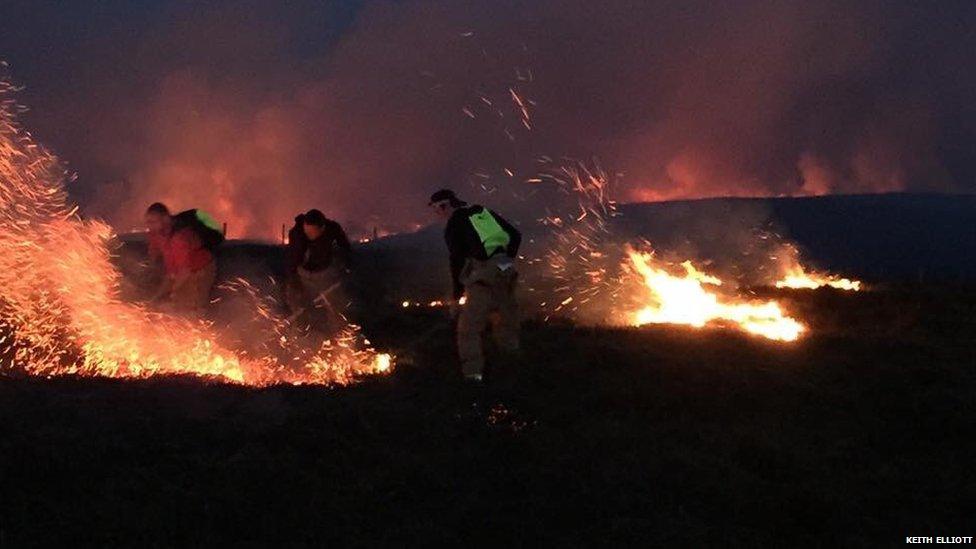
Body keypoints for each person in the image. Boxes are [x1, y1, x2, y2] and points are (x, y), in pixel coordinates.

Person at [429, 189, 521, 382]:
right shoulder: (482, 212)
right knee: (506, 322)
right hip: (507, 270)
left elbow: (457, 261)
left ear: (445, 205)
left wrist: (457, 295)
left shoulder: (455, 224)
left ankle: (473, 378)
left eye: (437, 209)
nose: (437, 214)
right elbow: (515, 235)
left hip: (484, 276)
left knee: (468, 329)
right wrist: (504, 261)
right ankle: (513, 370)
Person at [144, 202, 218, 315]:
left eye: (153, 222)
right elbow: (154, 251)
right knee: (160, 302)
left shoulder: (179, 238)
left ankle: (197, 325)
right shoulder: (156, 233)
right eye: (148, 222)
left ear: (166, 219)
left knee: (190, 308)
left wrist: (173, 292)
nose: (149, 226)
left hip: (200, 270)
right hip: (177, 271)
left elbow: (185, 271)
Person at [284, 209, 352, 325]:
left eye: (312, 232)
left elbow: (345, 247)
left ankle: (334, 329)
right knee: (299, 306)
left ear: (322, 228)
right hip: (303, 273)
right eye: (306, 231)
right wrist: (296, 286)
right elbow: (292, 261)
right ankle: (301, 331)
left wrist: (346, 267)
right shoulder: (296, 234)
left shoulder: (333, 228)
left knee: (333, 305)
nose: (308, 234)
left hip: (325, 272)